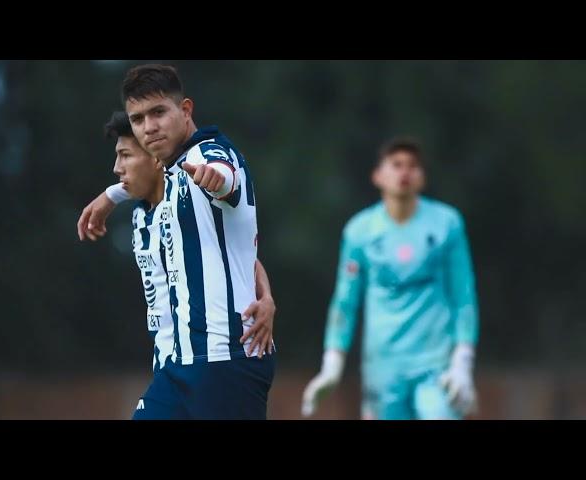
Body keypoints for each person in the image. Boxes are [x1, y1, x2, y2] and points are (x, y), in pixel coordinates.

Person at [81, 64, 275, 419]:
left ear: (185, 110)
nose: (149, 127)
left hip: (223, 360)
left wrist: (215, 180)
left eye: (158, 112)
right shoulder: (163, 183)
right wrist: (112, 195)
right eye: (138, 119)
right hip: (175, 368)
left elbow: (225, 179)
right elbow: (235, 245)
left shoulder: (209, 155)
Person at [302, 137, 479, 420]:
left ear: (423, 177)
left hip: (436, 364)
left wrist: (463, 362)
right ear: (378, 176)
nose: (404, 172)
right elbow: (345, 303)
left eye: (413, 166)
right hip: (383, 368)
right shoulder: (360, 232)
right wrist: (332, 365)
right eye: (396, 165)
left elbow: (464, 296)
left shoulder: (447, 224)